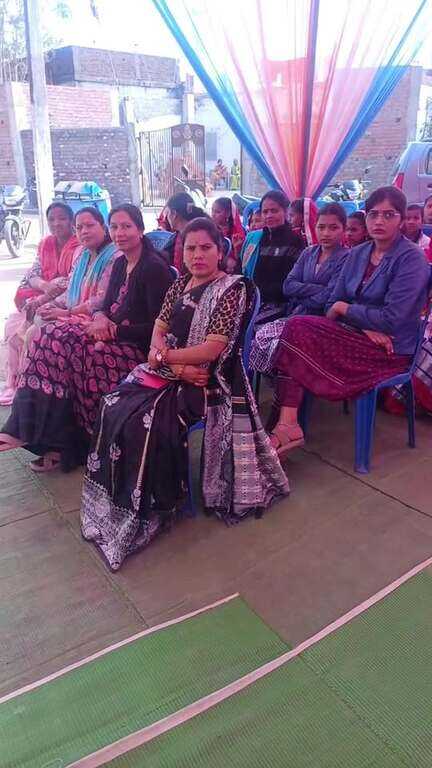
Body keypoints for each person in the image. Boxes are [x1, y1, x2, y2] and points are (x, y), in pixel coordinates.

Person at [80, 217, 289, 571]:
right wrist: (168, 363)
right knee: (113, 404)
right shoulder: (179, 284)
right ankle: (117, 500)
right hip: (175, 371)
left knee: (147, 421)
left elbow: (212, 350)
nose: (197, 255)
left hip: (209, 381)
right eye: (191, 248)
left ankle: (157, 503)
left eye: (206, 247)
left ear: (220, 251)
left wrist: (163, 358)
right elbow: (158, 331)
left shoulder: (231, 289)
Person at [0, 205, 173, 471]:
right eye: (115, 227)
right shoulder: (121, 264)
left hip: (136, 351)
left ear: (140, 229)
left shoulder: (153, 269)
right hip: (110, 336)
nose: (119, 233)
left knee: (63, 346)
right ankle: (41, 438)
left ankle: (61, 443)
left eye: (126, 226)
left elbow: (158, 328)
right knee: (49, 335)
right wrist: (101, 319)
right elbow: (105, 305)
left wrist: (113, 331)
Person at [266, 186, 430, 455]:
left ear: (401, 219)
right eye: (373, 214)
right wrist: (363, 326)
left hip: (390, 350)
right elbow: (329, 304)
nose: (379, 221)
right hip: (356, 335)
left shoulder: (412, 259)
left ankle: (285, 425)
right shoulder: (358, 253)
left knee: (296, 329)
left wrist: (345, 308)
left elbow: (391, 320)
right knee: (295, 330)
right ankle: (287, 424)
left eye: (388, 215)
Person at [250, 203, 348, 374]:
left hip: (324, 320)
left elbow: (330, 296)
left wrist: (301, 294)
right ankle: (269, 382)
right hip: (296, 313)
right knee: (259, 336)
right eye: (321, 227)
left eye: (333, 228)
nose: (326, 233)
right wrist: (318, 289)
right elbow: (288, 286)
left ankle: (285, 386)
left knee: (277, 343)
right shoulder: (309, 253)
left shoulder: (348, 257)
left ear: (343, 229)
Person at [0, 202, 79, 406]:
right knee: (12, 324)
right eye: (51, 219)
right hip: (41, 294)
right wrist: (45, 285)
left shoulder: (79, 245)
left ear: (71, 221)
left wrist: (43, 297)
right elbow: (32, 274)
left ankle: (26, 384)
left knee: (30, 329)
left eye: (62, 218)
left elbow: (69, 282)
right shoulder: (45, 243)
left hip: (64, 300)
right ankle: (12, 381)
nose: (56, 223)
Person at [240, 190, 304, 325]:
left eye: (274, 211)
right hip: (251, 299)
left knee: (246, 325)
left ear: (285, 211)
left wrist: (256, 294)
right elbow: (242, 270)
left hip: (280, 304)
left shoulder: (295, 241)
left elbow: (288, 283)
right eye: (265, 212)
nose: (269, 215)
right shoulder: (255, 239)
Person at [163, 192, 206, 271]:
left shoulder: (195, 236)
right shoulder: (178, 235)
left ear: (174, 214)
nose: (166, 217)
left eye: (167, 213)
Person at [211, 196, 245, 270]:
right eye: (212, 210)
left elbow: (241, 257)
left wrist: (236, 250)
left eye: (217, 212)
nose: (213, 214)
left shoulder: (236, 232)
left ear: (228, 213)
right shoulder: (210, 229)